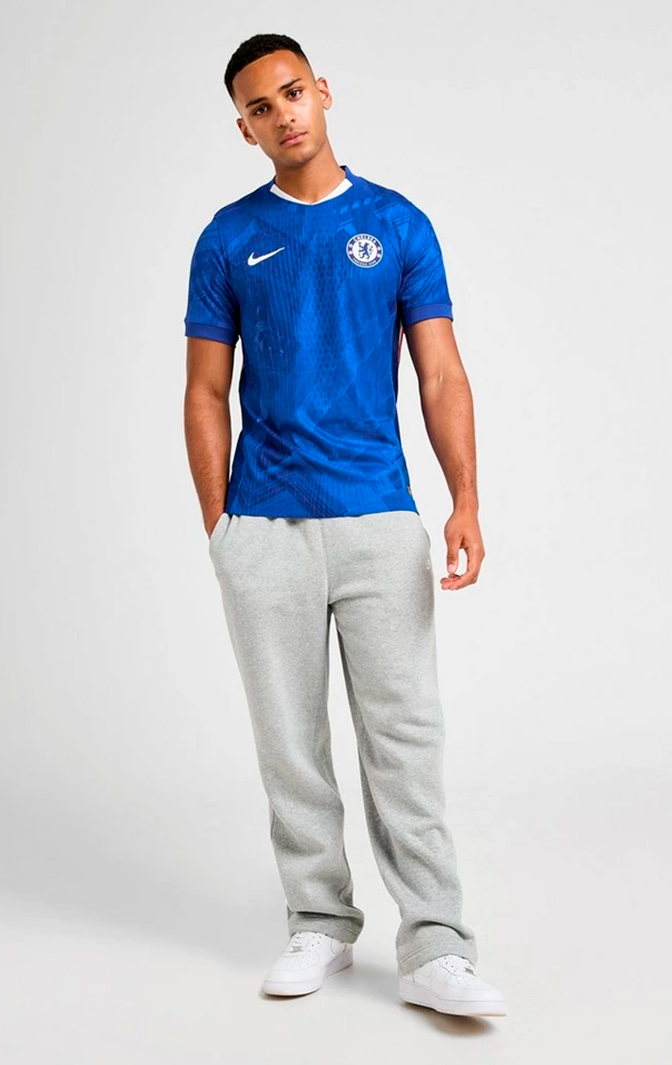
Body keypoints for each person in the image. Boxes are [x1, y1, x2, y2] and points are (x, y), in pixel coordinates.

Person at [182, 33, 505, 1018]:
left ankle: (436, 946)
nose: (282, 114)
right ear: (242, 128)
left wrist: (465, 499)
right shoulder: (229, 238)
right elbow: (204, 391)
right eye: (259, 106)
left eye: (292, 92)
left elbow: (441, 372)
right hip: (265, 525)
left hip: (377, 518)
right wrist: (221, 526)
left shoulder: (396, 223)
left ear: (321, 92)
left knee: (403, 738)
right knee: (290, 741)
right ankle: (319, 921)